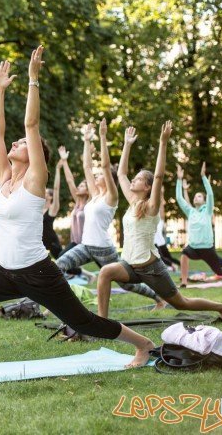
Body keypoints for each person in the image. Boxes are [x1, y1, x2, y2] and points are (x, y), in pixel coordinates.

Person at [0, 47, 156, 387]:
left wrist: (32, 80)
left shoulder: (35, 180)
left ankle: (144, 344)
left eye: (22, 143)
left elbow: (31, 123)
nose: (15, 142)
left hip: (38, 272)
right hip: (4, 271)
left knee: (85, 322)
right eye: (15, 142)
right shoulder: (4, 178)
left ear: (34, 155)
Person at [95, 123, 222, 319]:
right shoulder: (133, 201)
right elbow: (121, 174)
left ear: (147, 186)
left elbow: (159, 175)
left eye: (138, 179)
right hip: (130, 265)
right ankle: (102, 322)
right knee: (105, 273)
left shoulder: (151, 206)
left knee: (181, 303)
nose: (133, 181)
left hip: (151, 268)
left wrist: (163, 142)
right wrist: (127, 144)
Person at [55, 120, 165, 307]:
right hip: (86, 245)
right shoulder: (95, 195)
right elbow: (87, 167)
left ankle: (158, 298)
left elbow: (105, 167)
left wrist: (103, 137)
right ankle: (63, 303)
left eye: (100, 176)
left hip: (103, 248)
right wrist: (87, 141)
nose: (96, 176)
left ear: (108, 180)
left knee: (125, 284)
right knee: (58, 266)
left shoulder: (111, 197)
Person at [176, 163, 222, 286]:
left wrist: (203, 176)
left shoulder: (208, 210)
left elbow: (210, 194)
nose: (196, 198)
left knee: (219, 271)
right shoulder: (190, 212)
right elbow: (179, 198)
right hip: (193, 247)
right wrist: (178, 179)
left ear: (204, 201)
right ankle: (184, 281)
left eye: (199, 196)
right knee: (184, 254)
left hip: (207, 248)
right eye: (195, 197)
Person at [56, 144, 89, 258]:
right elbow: (70, 181)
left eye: (82, 186)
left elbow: (88, 169)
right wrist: (64, 161)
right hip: (75, 243)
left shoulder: (89, 204)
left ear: (89, 191)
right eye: (79, 185)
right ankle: (85, 275)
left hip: (87, 244)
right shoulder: (77, 202)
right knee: (61, 258)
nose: (79, 187)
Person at [41, 163, 62, 259]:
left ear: (50, 197)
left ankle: (89, 275)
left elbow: (56, 189)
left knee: (64, 263)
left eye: (46, 192)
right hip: (41, 243)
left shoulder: (53, 209)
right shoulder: (40, 208)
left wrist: (57, 169)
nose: (43, 192)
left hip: (52, 242)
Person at [154, 188, 179, 271]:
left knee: (165, 258)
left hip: (159, 243)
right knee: (162, 258)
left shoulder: (158, 221)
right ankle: (173, 265)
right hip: (158, 243)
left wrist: (161, 194)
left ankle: (177, 265)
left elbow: (161, 208)